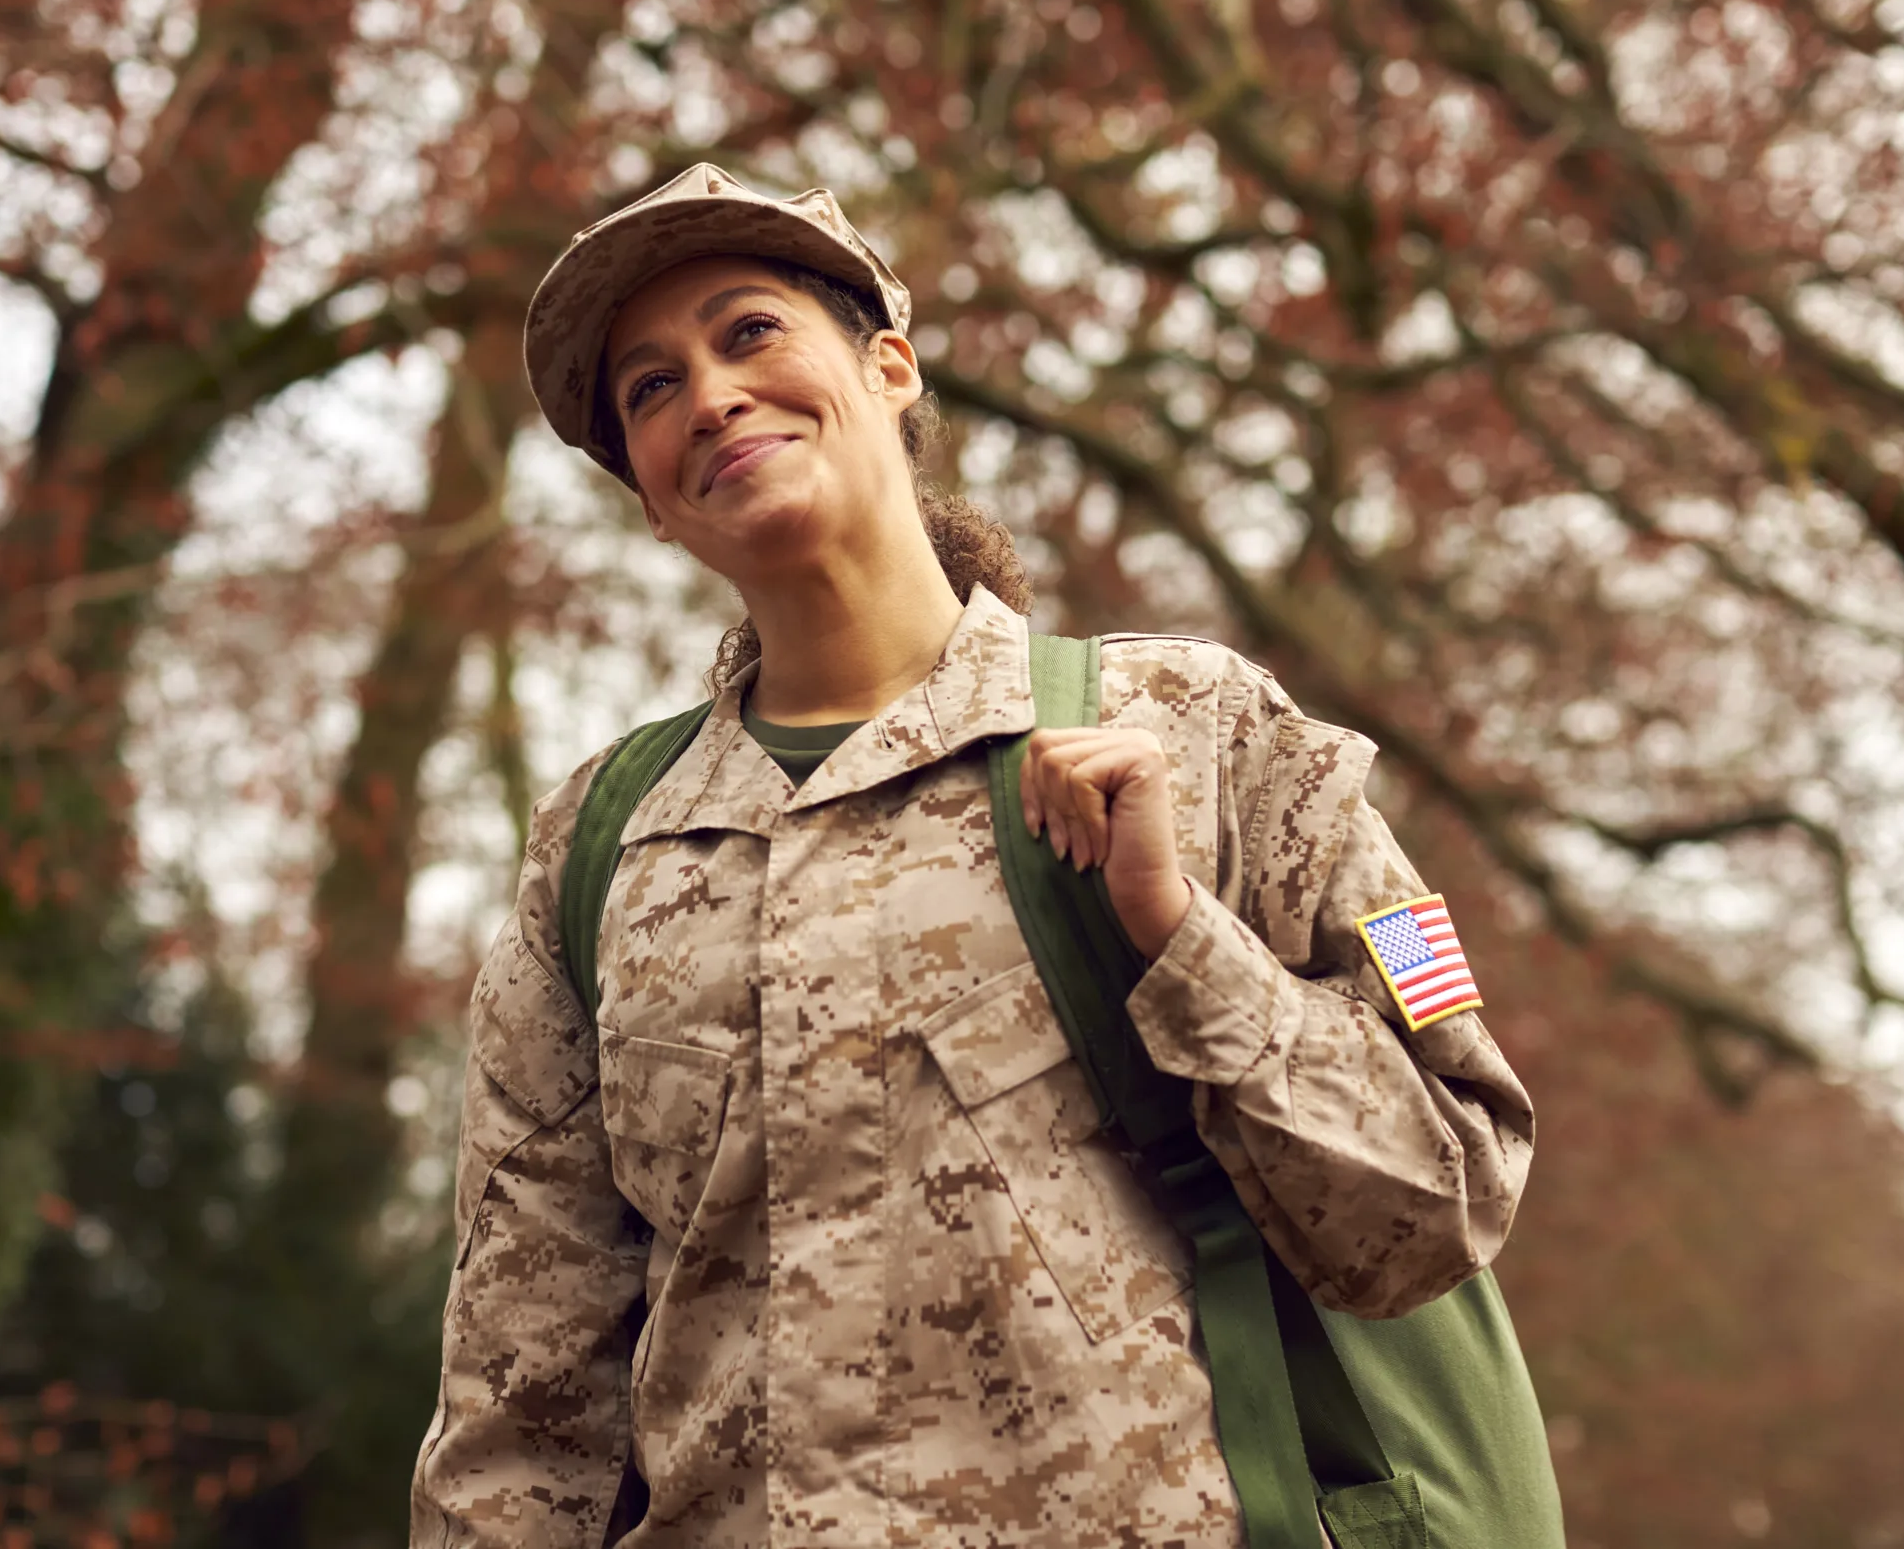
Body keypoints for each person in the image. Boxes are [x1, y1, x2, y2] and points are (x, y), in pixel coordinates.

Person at [409, 165, 1536, 1547]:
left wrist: (1183, 941)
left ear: (889, 366)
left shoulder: (1207, 732)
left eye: (750, 331)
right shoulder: (597, 851)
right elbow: (519, 1397)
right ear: (650, 497)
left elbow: (1442, 1198)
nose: (708, 396)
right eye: (649, 388)